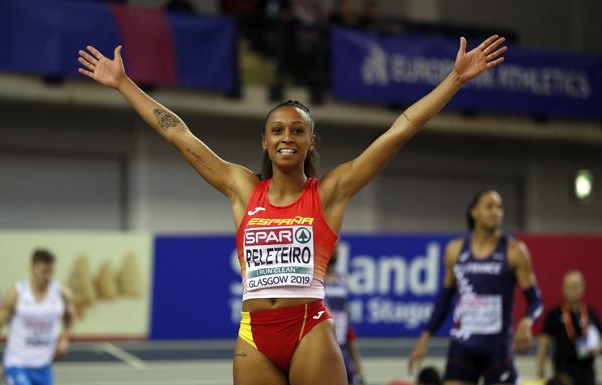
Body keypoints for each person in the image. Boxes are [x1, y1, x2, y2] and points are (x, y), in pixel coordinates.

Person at [77, 34, 506, 384]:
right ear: (264, 141)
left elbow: (400, 130)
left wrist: (454, 80)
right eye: (277, 129)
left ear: (310, 141)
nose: (287, 136)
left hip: (309, 330)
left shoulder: (330, 192)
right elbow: (179, 134)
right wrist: (123, 84)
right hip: (253, 337)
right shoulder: (242, 188)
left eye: (298, 130)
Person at [408, 190, 543, 385]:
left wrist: (527, 321)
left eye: (499, 207)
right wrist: (424, 337)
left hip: (497, 349)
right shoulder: (455, 250)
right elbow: (444, 301)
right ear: (474, 212)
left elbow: (536, 300)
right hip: (463, 347)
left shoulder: (514, 251)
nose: (496, 212)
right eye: (489, 206)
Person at [0, 249, 75, 385]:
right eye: (44, 271)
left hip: (44, 366)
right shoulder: (16, 294)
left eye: (51, 271)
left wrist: (65, 339)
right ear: (33, 268)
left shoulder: (62, 294)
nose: (48, 277)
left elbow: (70, 318)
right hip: (17, 365)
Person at [537, 271, 601, 385]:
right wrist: (541, 367)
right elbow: (544, 342)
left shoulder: (591, 313)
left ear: (583, 287)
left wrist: (597, 348)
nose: (573, 290)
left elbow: (599, 338)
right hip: (563, 373)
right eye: (570, 287)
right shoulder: (554, 314)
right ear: (563, 288)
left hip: (587, 372)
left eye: (576, 286)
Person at [325, 248, 364, 384]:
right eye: (333, 248)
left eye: (337, 249)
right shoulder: (315, 279)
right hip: (322, 344)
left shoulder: (342, 280)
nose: (336, 252)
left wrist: (357, 364)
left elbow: (348, 325)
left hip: (341, 345)